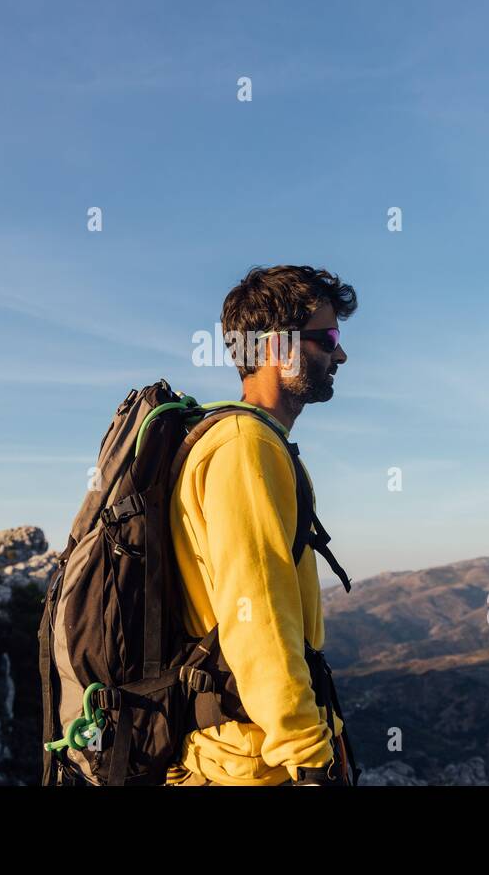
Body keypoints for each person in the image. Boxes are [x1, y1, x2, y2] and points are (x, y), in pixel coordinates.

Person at [164, 264, 357, 786]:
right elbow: (259, 613)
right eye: (328, 338)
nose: (340, 354)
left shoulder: (243, 440)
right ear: (278, 347)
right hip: (257, 766)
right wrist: (309, 757)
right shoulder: (246, 447)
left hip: (251, 751)